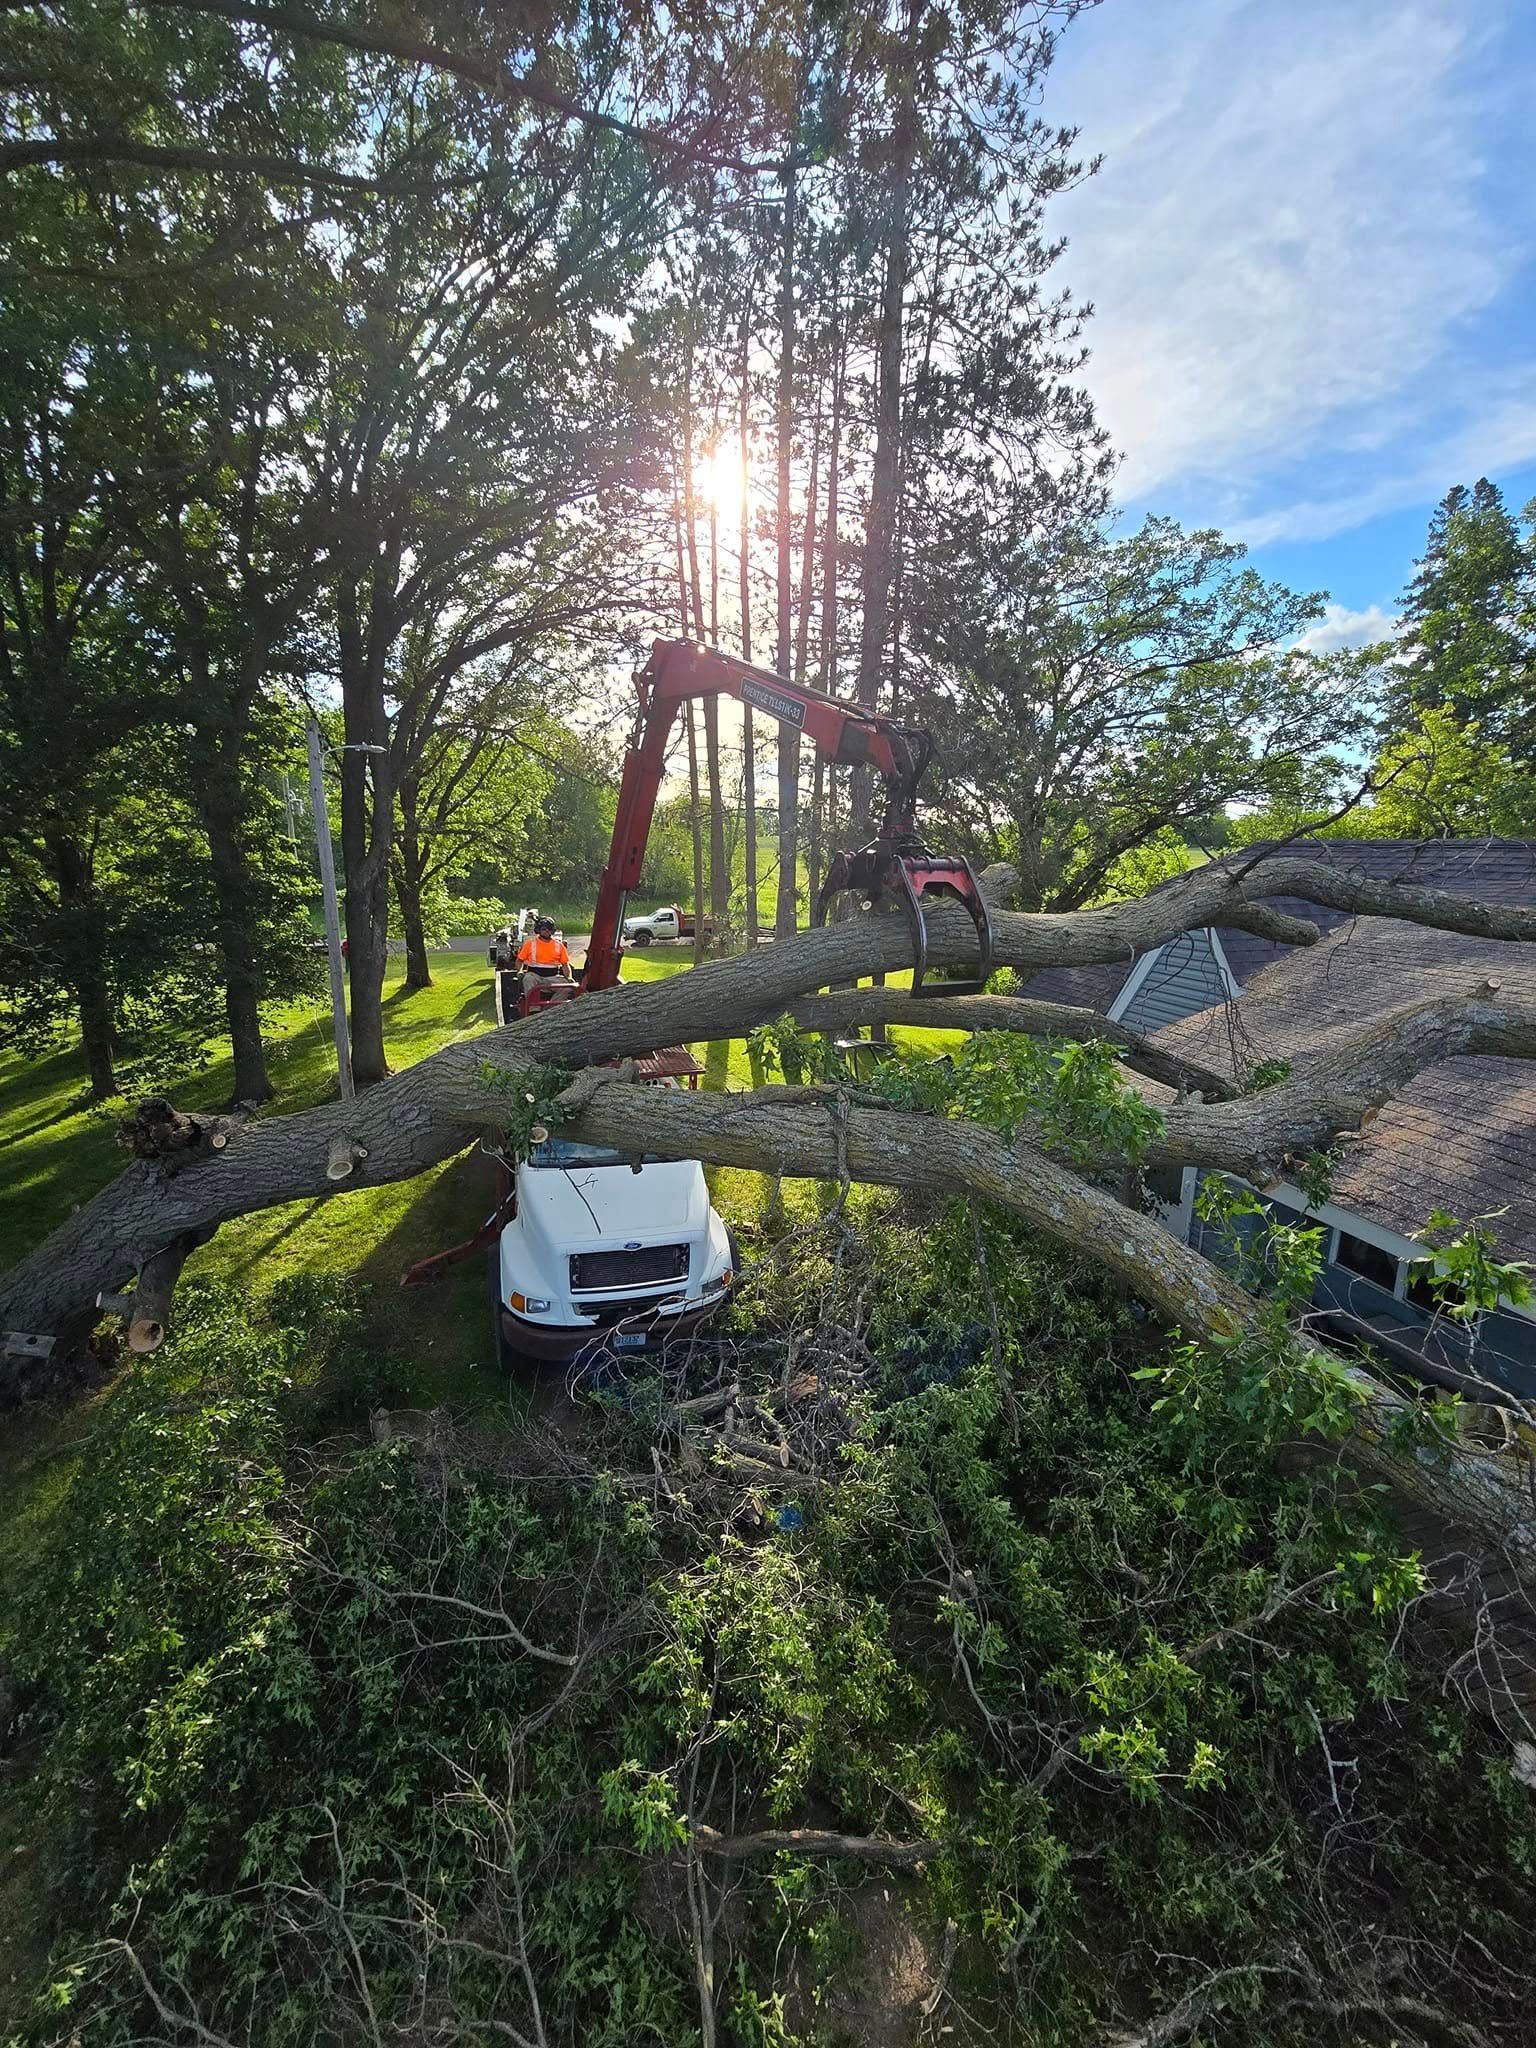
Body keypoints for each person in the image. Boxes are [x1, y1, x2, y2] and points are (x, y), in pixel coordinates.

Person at [517, 915, 570, 995]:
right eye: (543, 929)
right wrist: (520, 971)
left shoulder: (559, 945)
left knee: (568, 988)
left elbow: (565, 965)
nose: (546, 931)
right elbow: (519, 960)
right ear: (538, 930)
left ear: (552, 930)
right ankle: (534, 1007)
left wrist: (569, 977)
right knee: (528, 978)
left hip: (553, 978)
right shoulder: (530, 944)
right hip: (534, 977)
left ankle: (555, 1007)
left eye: (549, 929)